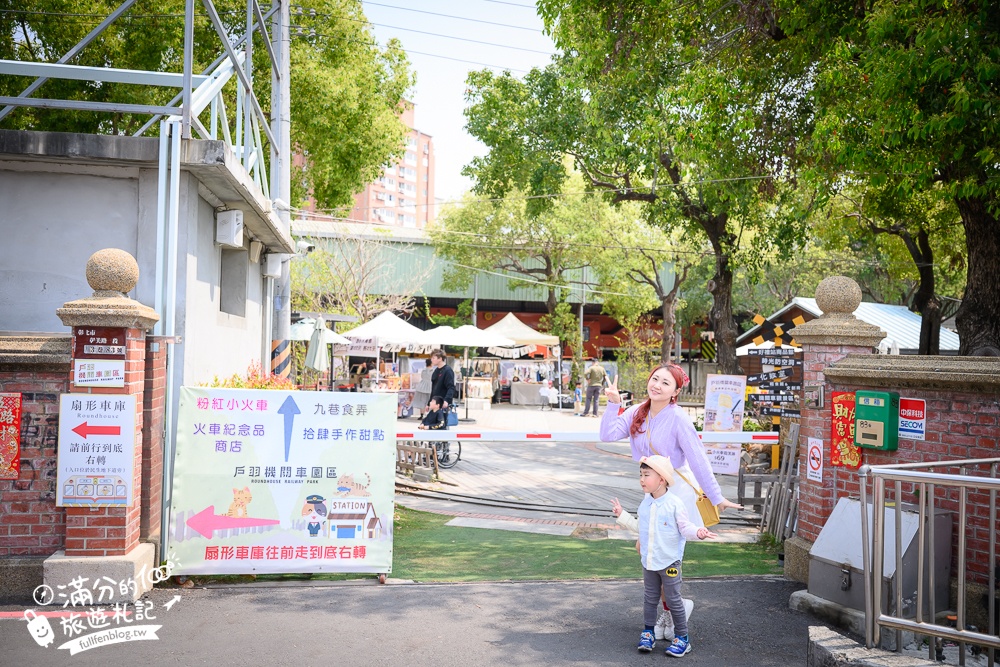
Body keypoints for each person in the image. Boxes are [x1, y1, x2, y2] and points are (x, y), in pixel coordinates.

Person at [600, 364, 743, 526]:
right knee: (648, 540)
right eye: (655, 379)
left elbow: (698, 459)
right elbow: (607, 435)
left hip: (677, 489)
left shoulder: (678, 418)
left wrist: (716, 497)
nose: (657, 385)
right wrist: (613, 404)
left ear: (676, 391)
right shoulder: (636, 411)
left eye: (665, 383)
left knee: (667, 541)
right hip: (652, 487)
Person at [612, 455, 716, 657]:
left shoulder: (675, 504)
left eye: (646, 475)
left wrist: (699, 532)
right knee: (649, 599)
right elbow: (640, 529)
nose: (642, 479)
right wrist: (622, 515)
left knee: (673, 600)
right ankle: (648, 632)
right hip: (649, 562)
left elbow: (685, 528)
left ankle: (683, 639)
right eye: (640, 475)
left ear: (662, 479)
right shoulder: (645, 505)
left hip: (670, 563)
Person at [429, 349, 456, 415]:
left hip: (443, 403)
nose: (431, 360)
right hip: (435, 403)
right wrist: (429, 403)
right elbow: (433, 388)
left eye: (433, 358)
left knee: (442, 423)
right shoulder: (436, 371)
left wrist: (446, 400)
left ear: (440, 358)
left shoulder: (447, 370)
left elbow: (451, 387)